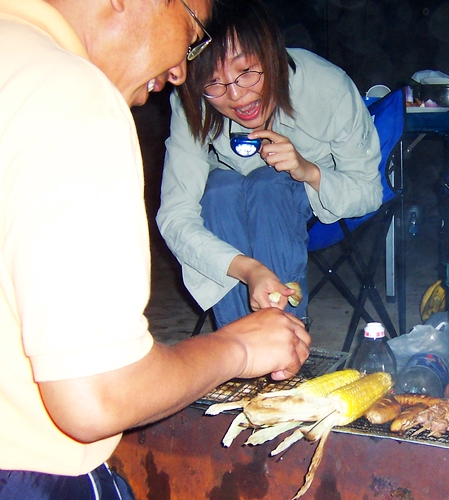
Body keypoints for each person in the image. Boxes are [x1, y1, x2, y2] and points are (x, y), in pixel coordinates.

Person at [0, 0, 311, 498]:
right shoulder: (69, 94)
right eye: (191, 30)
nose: (180, 71)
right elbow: (99, 394)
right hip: (30, 474)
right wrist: (240, 347)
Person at [156, 0, 383, 329]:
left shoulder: (327, 87)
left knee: (268, 185)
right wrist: (248, 269)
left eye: (246, 71)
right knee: (219, 189)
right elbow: (176, 216)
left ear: (272, 54)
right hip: (227, 210)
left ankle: (283, 337)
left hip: (305, 209)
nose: (236, 96)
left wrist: (308, 171)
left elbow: (368, 193)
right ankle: (241, 343)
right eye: (214, 82)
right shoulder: (193, 101)